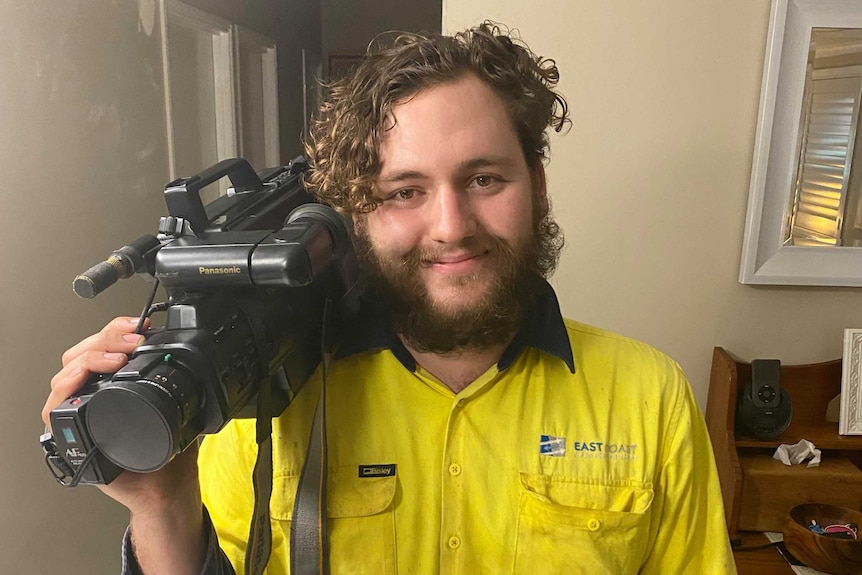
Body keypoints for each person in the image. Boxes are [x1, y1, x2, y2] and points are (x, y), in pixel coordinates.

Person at [42, 22, 736, 575]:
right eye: (404, 191)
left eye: (486, 178)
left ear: (539, 186)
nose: (451, 226)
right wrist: (162, 507)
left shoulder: (651, 398)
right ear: (357, 214)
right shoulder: (264, 408)